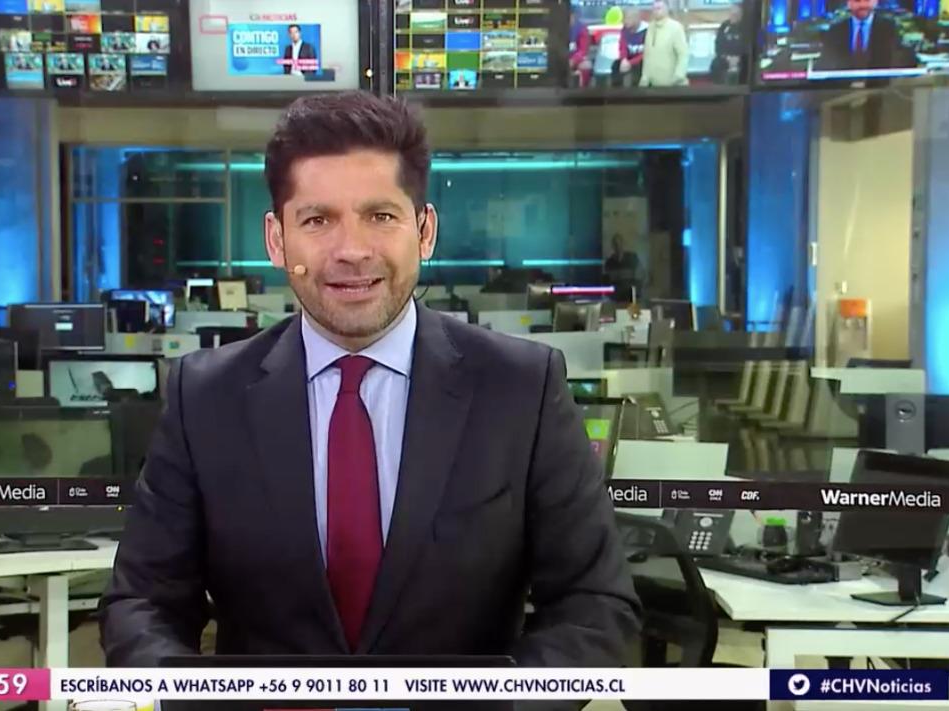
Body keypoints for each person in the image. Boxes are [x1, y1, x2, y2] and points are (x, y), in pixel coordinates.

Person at [100, 92, 641, 679]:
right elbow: (143, 604)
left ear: (425, 231)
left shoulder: (522, 390)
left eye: (381, 216)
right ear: (277, 240)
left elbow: (593, 605)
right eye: (317, 220)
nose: (352, 251)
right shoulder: (205, 396)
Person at [816, 0, 914, 72]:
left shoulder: (890, 28)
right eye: (857, 1)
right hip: (843, 89)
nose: (862, 5)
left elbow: (902, 61)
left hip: (880, 89)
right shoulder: (836, 30)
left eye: (867, 0)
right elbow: (825, 64)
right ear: (849, 3)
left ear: (875, 2)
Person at [639, 0, 689, 87]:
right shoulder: (650, 28)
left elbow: (683, 54)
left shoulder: (675, 27)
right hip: (653, 85)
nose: (656, 11)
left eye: (659, 8)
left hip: (673, 85)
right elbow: (647, 55)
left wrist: (678, 76)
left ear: (666, 9)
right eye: (654, 9)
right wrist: (644, 78)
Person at [710, 2, 746, 84]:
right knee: (715, 64)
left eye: (736, 14)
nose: (733, 16)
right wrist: (727, 58)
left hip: (742, 59)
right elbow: (718, 46)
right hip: (725, 58)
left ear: (741, 15)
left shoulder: (747, 27)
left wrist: (739, 58)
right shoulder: (724, 26)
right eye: (731, 14)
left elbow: (749, 47)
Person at [613, 9, 648, 87]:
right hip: (628, 58)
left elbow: (647, 53)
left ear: (636, 18)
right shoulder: (625, 29)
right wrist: (623, 59)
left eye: (627, 18)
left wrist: (630, 63)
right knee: (615, 65)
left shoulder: (647, 30)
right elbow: (623, 47)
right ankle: (616, 91)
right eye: (624, 18)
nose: (624, 21)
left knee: (638, 68)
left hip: (642, 59)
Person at [604, 234, 643, 303]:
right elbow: (606, 283)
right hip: (617, 300)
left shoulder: (632, 259)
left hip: (632, 299)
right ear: (613, 246)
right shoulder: (609, 263)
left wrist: (635, 295)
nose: (618, 247)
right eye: (616, 244)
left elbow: (640, 278)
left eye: (619, 244)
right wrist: (613, 296)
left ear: (623, 244)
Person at [569, 8, 593, 88]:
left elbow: (583, 50)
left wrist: (573, 60)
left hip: (575, 60)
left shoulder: (582, 29)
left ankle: (582, 90)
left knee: (586, 65)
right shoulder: (556, 29)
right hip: (560, 60)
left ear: (573, 16)